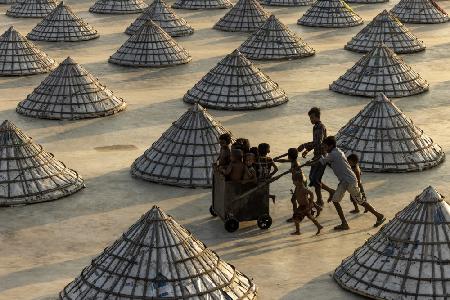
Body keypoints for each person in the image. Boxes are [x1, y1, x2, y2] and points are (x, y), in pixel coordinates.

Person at [309, 136, 385, 230]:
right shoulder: (337, 152)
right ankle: (344, 223)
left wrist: (310, 163)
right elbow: (324, 160)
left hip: (349, 181)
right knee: (336, 200)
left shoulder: (334, 154)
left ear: (331, 145)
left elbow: (320, 162)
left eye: (325, 146)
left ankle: (379, 216)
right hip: (345, 181)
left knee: (360, 201)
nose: (324, 148)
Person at [298, 107, 334, 207]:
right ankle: (327, 194)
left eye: (312, 118)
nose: (311, 120)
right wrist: (308, 150)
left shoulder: (320, 127)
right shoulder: (316, 127)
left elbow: (318, 142)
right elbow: (316, 143)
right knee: (314, 178)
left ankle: (321, 199)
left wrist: (304, 145)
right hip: (317, 155)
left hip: (321, 156)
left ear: (317, 117)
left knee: (315, 179)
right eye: (310, 118)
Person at [291, 171, 323, 236]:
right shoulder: (297, 187)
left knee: (296, 217)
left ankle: (298, 231)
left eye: (294, 181)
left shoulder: (303, 188)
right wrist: (293, 194)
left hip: (305, 206)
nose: (293, 182)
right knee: (310, 216)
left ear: (299, 181)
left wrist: (311, 202)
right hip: (302, 205)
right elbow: (298, 195)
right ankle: (319, 226)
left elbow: (311, 193)